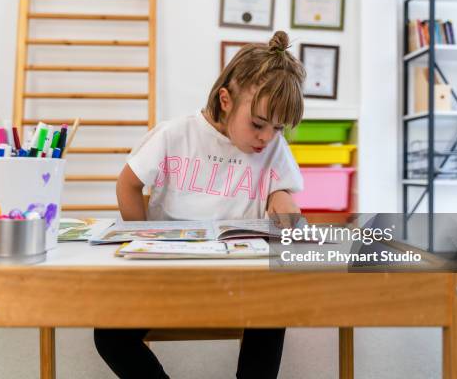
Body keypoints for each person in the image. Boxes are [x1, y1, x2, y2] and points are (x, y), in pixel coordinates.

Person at [94, 30, 306, 379]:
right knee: (109, 336)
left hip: (241, 282)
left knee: (273, 311)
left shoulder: (271, 147)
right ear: (226, 100)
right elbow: (128, 184)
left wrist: (280, 195)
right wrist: (142, 238)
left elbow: (284, 191)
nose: (266, 137)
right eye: (257, 124)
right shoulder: (176, 134)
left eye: (278, 128)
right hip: (170, 280)